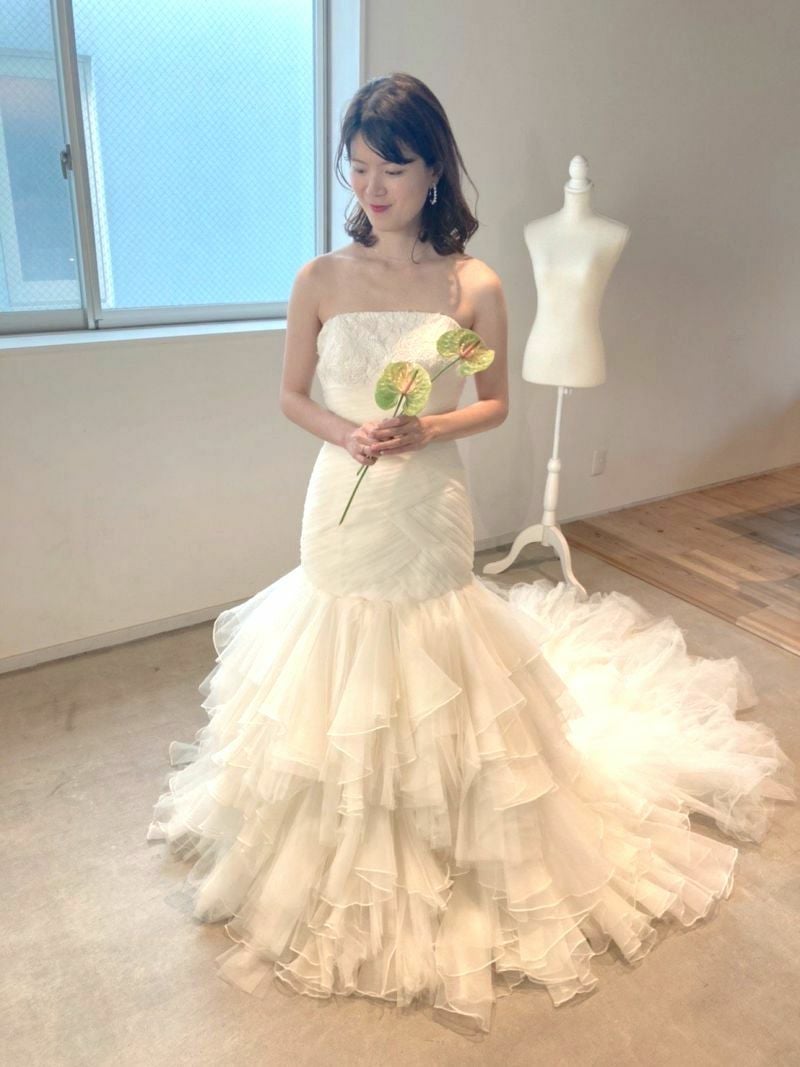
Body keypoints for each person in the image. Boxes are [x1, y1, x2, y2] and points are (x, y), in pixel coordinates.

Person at [147, 72, 796, 1035]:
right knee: (335, 653)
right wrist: (347, 431)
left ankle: (446, 829)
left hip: (429, 499)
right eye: (357, 167)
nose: (372, 187)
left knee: (439, 651)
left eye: (392, 167)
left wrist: (428, 426)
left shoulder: (473, 283)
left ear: (434, 169)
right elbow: (291, 394)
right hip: (342, 499)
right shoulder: (318, 278)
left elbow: (493, 402)